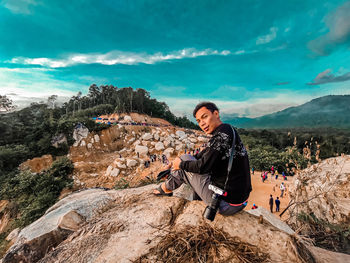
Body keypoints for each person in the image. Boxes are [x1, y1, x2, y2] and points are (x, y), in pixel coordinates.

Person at [153, 101, 252, 216]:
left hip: (225, 203)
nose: (202, 123)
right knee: (185, 159)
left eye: (205, 117)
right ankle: (177, 189)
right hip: (239, 199)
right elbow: (199, 156)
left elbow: (202, 167)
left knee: (184, 163)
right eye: (199, 121)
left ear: (216, 114)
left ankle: (166, 188)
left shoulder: (221, 135)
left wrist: (180, 165)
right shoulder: (228, 130)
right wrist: (173, 165)